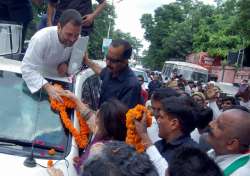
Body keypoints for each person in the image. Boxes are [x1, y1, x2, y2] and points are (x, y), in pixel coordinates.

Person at [21, 9, 82, 102]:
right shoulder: (41, 38)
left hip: (61, 87)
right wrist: (47, 87)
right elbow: (27, 68)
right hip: (35, 86)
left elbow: (76, 66)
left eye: (76, 35)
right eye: (69, 34)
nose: (73, 39)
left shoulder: (78, 40)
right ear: (59, 27)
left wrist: (67, 63)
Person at [83, 39, 142, 108]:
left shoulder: (131, 86)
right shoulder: (111, 70)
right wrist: (87, 61)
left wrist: (85, 110)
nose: (108, 63)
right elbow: (100, 71)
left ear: (125, 61)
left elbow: (119, 117)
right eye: (107, 58)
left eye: (113, 61)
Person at [205, 109, 250, 175]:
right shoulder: (215, 152)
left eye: (219, 126)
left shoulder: (239, 173)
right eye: (215, 120)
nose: (210, 124)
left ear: (231, 144)